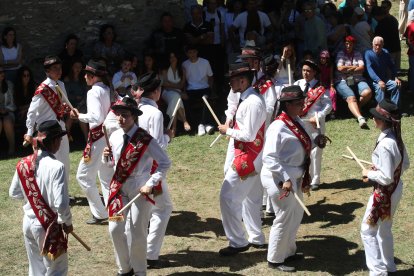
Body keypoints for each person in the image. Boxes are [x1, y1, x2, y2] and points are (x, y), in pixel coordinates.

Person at [261, 85, 328, 272]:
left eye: (302, 102)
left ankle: (288, 251)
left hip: (296, 176)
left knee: (296, 215)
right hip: (279, 178)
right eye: (299, 103)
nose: (302, 105)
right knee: (284, 216)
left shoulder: (297, 121)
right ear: (288, 104)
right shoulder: (277, 127)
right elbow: (269, 157)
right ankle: (275, 258)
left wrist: (317, 141)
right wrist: (285, 178)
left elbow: (302, 144)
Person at [103, 97, 171, 276]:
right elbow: (113, 165)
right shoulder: (115, 135)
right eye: (118, 115)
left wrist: (150, 183)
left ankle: (140, 271)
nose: (120, 119)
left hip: (140, 187)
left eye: (124, 115)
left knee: (137, 232)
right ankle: (125, 268)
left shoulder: (145, 139)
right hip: (119, 186)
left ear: (133, 116)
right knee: (115, 229)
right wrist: (106, 157)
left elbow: (165, 162)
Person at [9, 120, 73, 276]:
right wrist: (68, 223)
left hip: (28, 222)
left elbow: (14, 193)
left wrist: (32, 200)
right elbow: (61, 204)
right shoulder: (57, 166)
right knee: (57, 269)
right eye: (60, 138)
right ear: (55, 140)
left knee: (36, 269)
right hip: (48, 225)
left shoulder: (23, 163)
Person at [217, 62, 267, 256]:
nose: (230, 83)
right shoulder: (245, 98)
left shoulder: (252, 102)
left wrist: (226, 130)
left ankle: (238, 242)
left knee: (227, 196)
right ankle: (256, 238)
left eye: (233, 80)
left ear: (243, 81)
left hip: (249, 155)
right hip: (249, 154)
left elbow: (249, 134)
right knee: (252, 199)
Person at [360, 99, 410, 276]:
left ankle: (378, 272)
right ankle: (389, 266)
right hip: (396, 189)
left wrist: (369, 173)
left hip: (384, 194)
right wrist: (379, 168)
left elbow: (386, 177)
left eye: (375, 117)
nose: (373, 119)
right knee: (384, 228)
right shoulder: (397, 138)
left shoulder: (386, 144)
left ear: (381, 120)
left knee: (367, 230)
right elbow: (405, 164)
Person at [133, 73, 174, 268]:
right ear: (156, 91)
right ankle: (150, 254)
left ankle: (142, 254)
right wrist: (168, 137)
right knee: (163, 208)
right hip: (151, 169)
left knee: (148, 211)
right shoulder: (155, 114)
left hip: (134, 167)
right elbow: (158, 146)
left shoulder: (135, 110)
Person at [70, 59, 111, 224]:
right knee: (105, 177)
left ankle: (101, 213)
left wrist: (78, 116)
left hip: (97, 137)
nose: (85, 77)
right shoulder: (107, 89)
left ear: (94, 76)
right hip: (107, 137)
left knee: (83, 176)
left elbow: (96, 117)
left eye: (87, 74)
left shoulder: (93, 92)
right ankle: (113, 208)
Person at [25, 56, 71, 187]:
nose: (59, 71)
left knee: (64, 160)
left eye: (60, 68)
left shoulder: (61, 84)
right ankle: (47, 191)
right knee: (47, 162)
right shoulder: (42, 89)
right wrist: (29, 132)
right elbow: (32, 112)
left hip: (60, 127)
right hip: (45, 131)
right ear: (47, 72)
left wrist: (68, 110)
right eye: (55, 69)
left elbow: (63, 104)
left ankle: (64, 191)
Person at [294, 59, 332, 190]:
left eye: (308, 71)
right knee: (301, 150)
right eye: (304, 70)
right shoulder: (297, 84)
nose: (305, 73)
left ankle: (315, 179)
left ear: (314, 72)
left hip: (315, 124)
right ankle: (304, 176)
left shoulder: (320, 88)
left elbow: (328, 105)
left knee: (316, 151)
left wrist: (317, 117)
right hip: (300, 122)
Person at [335, 35, 372, 128]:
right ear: (344, 44)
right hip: (342, 80)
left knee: (368, 92)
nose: (348, 46)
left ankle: (357, 107)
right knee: (351, 98)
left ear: (353, 44)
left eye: (350, 44)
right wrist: (354, 67)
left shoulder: (358, 54)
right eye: (346, 44)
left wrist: (347, 68)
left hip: (358, 79)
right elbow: (340, 68)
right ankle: (360, 118)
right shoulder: (340, 54)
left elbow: (362, 68)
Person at [182, 45, 214, 136]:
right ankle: (203, 124)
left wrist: (210, 88)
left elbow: (211, 77)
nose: (192, 54)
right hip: (191, 89)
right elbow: (183, 80)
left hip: (204, 88)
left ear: (197, 52)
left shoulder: (205, 62)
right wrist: (184, 91)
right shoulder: (184, 64)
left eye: (194, 52)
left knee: (205, 99)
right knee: (185, 100)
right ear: (187, 54)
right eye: (190, 53)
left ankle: (201, 124)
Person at [365, 36, 401, 106]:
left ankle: (394, 109)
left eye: (380, 45)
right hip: (372, 80)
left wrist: (396, 77)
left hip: (384, 79)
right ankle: (380, 111)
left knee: (396, 85)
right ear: (372, 44)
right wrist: (378, 80)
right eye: (376, 45)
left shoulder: (385, 52)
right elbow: (369, 69)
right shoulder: (368, 53)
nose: (378, 47)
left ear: (383, 45)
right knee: (380, 87)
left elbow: (392, 65)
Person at [160, 51, 191, 134]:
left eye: (174, 57)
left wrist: (172, 85)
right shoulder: (165, 70)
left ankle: (174, 128)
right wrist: (176, 88)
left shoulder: (182, 70)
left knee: (175, 98)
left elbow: (181, 85)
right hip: (166, 92)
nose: (172, 59)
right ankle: (184, 120)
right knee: (177, 96)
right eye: (171, 57)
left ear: (177, 58)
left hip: (176, 93)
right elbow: (165, 85)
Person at [64, 59, 88, 142]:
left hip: (82, 105)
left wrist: (80, 104)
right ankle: (66, 140)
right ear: (72, 68)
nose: (78, 69)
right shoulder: (67, 80)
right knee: (69, 119)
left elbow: (86, 94)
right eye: (76, 67)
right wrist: (74, 100)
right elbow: (66, 94)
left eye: (80, 67)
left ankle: (87, 140)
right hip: (71, 105)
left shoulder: (84, 80)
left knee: (81, 117)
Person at [0, 67, 16, 155]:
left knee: (7, 121)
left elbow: (13, 103)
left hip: (8, 111)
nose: (2, 74)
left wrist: (5, 109)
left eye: (3, 72)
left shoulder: (9, 85)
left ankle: (12, 147)